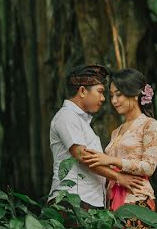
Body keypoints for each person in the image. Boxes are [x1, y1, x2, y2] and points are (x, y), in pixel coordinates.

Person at [83, 68, 157, 229]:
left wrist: (110, 161)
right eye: (111, 95)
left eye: (119, 94)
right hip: (113, 202)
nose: (114, 100)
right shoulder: (116, 132)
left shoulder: (149, 125)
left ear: (135, 94)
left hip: (137, 199)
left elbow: (149, 166)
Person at [47, 64, 145, 212]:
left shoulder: (82, 122)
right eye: (100, 92)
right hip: (71, 200)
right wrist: (119, 177)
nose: (103, 98)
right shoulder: (66, 116)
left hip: (89, 201)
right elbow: (83, 156)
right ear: (82, 91)